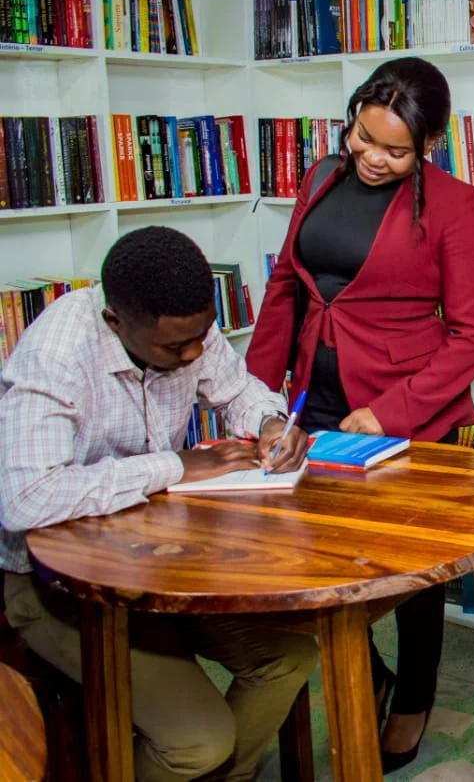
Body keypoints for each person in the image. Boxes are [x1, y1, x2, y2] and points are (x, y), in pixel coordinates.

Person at [246, 57, 474, 772]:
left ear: (430, 146)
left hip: (408, 413)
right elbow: (284, 289)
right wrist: (257, 397)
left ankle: (412, 698)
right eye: (365, 138)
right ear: (351, 117)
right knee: (312, 560)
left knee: (408, 578)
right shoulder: (321, 175)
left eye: (397, 150)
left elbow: (473, 333)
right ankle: (367, 675)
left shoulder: (453, 204)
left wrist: (389, 412)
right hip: (313, 398)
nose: (375, 159)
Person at [0, 226, 316, 781]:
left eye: (201, 336)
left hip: (158, 558)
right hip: (54, 584)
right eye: (175, 348)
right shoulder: (56, 355)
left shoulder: (184, 322)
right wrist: (172, 467)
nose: (193, 353)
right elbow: (25, 498)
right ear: (116, 322)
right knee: (199, 741)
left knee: (289, 658)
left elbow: (236, 388)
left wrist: (267, 421)